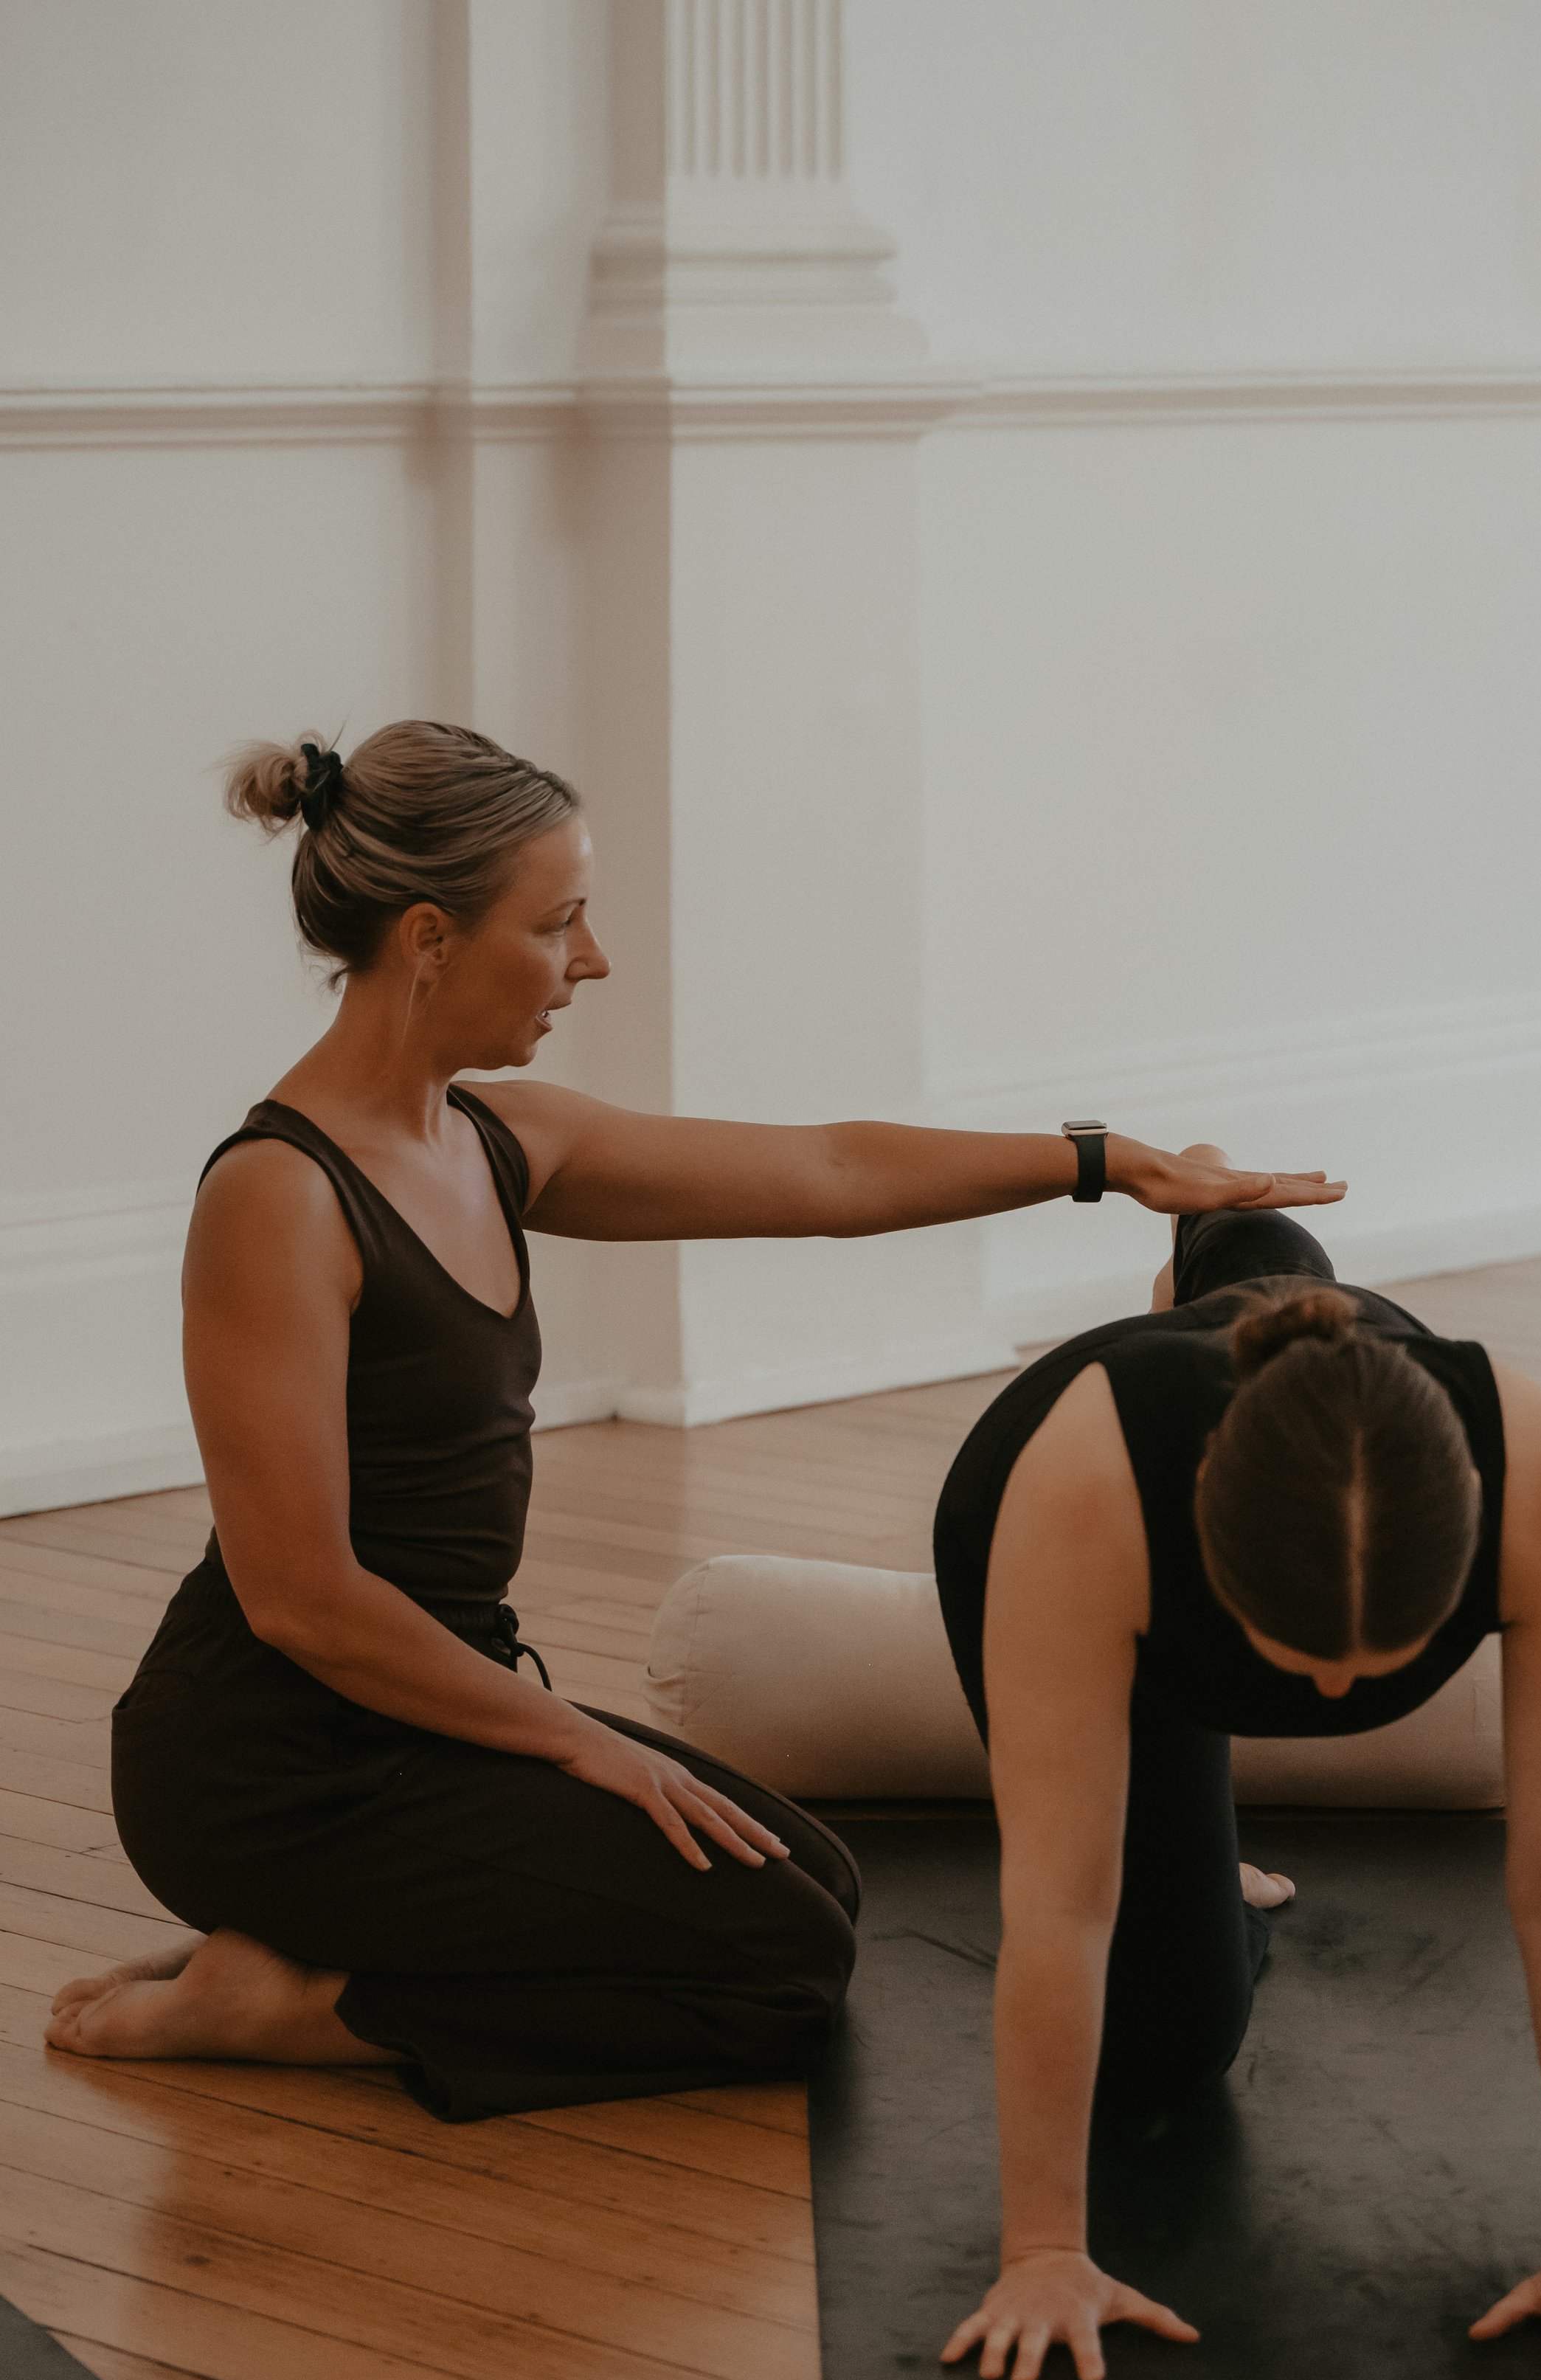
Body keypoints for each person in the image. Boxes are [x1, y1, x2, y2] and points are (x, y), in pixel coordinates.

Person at [45, 719, 1342, 2121]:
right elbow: (300, 1597)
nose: (590, 961)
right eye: (560, 924)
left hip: (424, 1705)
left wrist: (1108, 1162)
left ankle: (349, 1943)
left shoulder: (496, 1139)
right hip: (268, 1759)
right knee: (778, 1967)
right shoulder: (278, 1196)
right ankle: (292, 2005)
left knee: (816, 1883)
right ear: (428, 937)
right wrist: (579, 1740)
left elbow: (830, 1171)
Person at [933, 1174, 1541, 2380]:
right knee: (1167, 2039)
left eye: (1382, 1670)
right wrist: (1043, 2248)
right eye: (1299, 1666)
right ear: (1205, 1536)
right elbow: (1061, 1906)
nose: (1326, 1706)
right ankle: (1210, 1252)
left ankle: (1230, 1235)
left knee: (1295, 1299)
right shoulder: (1085, 1498)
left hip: (1320, 1397)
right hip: (1065, 1511)